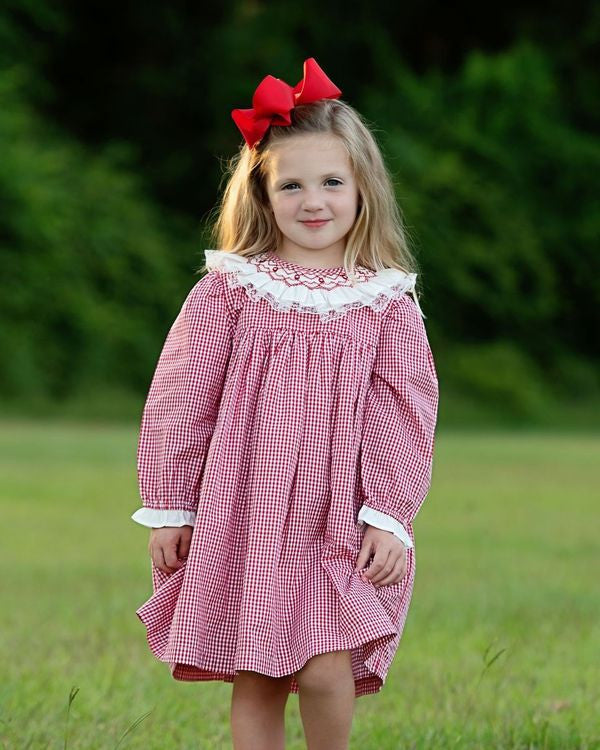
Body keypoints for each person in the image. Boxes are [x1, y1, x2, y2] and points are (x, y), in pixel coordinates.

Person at [131, 57, 439, 750]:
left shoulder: (386, 301)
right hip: (248, 509)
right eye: (291, 184)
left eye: (332, 182)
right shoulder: (231, 290)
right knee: (260, 672)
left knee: (328, 665)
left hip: (338, 515)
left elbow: (404, 412)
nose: (314, 201)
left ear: (364, 189)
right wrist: (171, 504)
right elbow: (182, 398)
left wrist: (389, 515)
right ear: (263, 195)